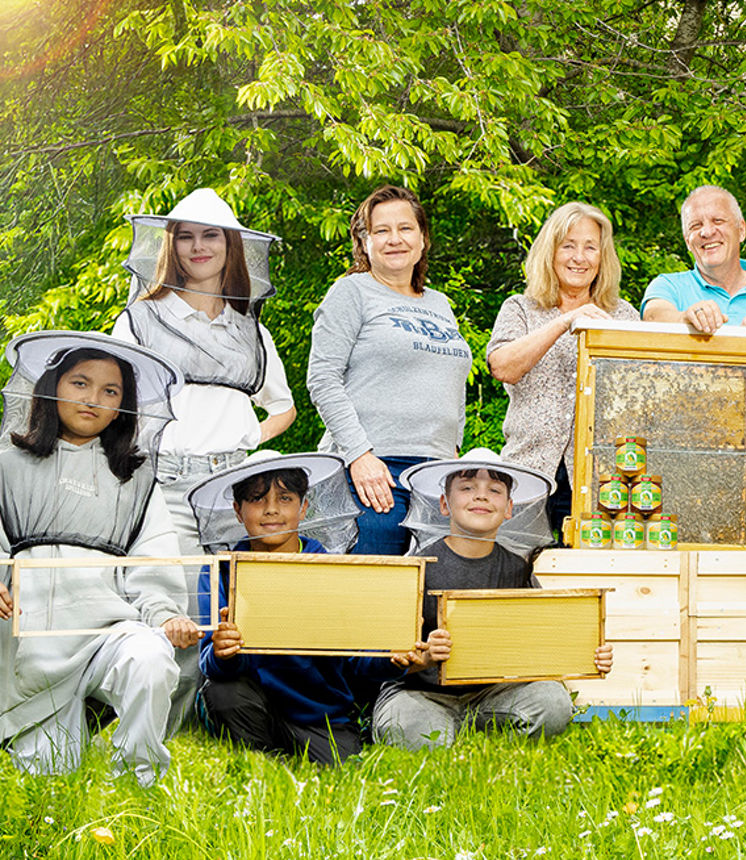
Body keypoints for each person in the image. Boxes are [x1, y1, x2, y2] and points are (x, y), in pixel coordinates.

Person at [113, 188, 297, 729]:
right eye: (186, 236)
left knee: (221, 611)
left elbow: (282, 409)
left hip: (233, 489)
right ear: (171, 246)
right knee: (168, 609)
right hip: (165, 482)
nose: (198, 247)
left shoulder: (250, 328)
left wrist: (240, 444)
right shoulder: (142, 319)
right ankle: (154, 733)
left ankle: (201, 728)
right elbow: (114, 405)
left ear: (231, 246)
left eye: (210, 235)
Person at [0, 332, 197, 786]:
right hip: (30, 647)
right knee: (49, 782)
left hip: (110, 633)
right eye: (80, 383)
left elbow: (156, 559)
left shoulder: (135, 481)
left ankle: (136, 784)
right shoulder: (8, 465)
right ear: (52, 388)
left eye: (111, 391)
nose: (93, 399)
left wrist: (166, 615)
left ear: (124, 406)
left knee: (150, 658)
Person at [373, 449, 613, 750]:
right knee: (410, 727)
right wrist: (424, 658)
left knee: (552, 702)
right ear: (445, 504)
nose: (481, 496)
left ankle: (495, 750)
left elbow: (547, 638)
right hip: (421, 695)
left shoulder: (518, 568)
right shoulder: (418, 568)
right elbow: (382, 658)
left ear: (509, 508)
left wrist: (588, 653)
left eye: (495, 490)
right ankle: (442, 738)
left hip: (496, 693)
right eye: (467, 487)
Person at [189, 453, 410, 765]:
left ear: (303, 507)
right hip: (252, 703)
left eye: (285, 497)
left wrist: (392, 660)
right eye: (256, 499)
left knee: (344, 772)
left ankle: (304, 752)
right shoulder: (220, 571)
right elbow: (208, 663)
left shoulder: (329, 570)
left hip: (320, 715)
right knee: (224, 693)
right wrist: (223, 652)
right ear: (238, 510)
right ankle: (260, 762)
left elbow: (357, 658)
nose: (271, 509)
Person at [307, 185, 473, 556]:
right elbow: (322, 378)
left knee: (428, 595)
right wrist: (359, 456)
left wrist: (455, 452)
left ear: (423, 239)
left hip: (436, 475)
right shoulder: (352, 292)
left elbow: (452, 381)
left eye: (405, 228)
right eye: (381, 231)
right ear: (364, 243)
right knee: (372, 595)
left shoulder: (440, 304)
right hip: (373, 471)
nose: (394, 239)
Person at [486, 203, 639, 532]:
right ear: (550, 252)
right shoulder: (520, 308)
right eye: (568, 245)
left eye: (590, 247)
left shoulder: (622, 315)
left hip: (603, 481)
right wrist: (566, 321)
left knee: (592, 579)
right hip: (527, 474)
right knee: (519, 573)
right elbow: (502, 366)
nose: (579, 257)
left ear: (602, 257)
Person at [641, 185, 746, 462]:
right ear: (688, 240)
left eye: (718, 221)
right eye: (695, 225)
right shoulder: (669, 286)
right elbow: (653, 316)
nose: (707, 232)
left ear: (742, 230)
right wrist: (685, 317)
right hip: (686, 464)